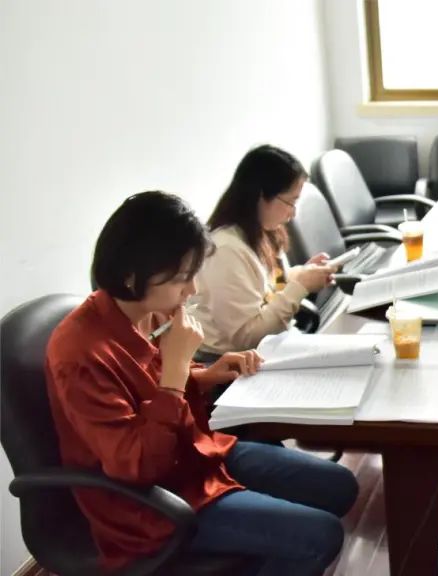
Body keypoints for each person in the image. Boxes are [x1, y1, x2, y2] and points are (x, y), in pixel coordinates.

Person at [46, 191, 358, 575]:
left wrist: (204, 374)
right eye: (182, 278)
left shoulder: (146, 309)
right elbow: (137, 464)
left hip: (197, 456)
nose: (191, 290)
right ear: (131, 275)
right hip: (150, 501)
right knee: (320, 536)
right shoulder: (79, 354)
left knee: (340, 486)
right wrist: (177, 369)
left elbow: (149, 388)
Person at [194, 145, 336, 353]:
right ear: (261, 196)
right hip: (228, 359)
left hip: (274, 343)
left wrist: (302, 274)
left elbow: (266, 289)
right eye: (291, 202)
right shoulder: (225, 250)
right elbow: (247, 339)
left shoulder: (262, 231)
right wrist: (300, 287)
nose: (293, 213)